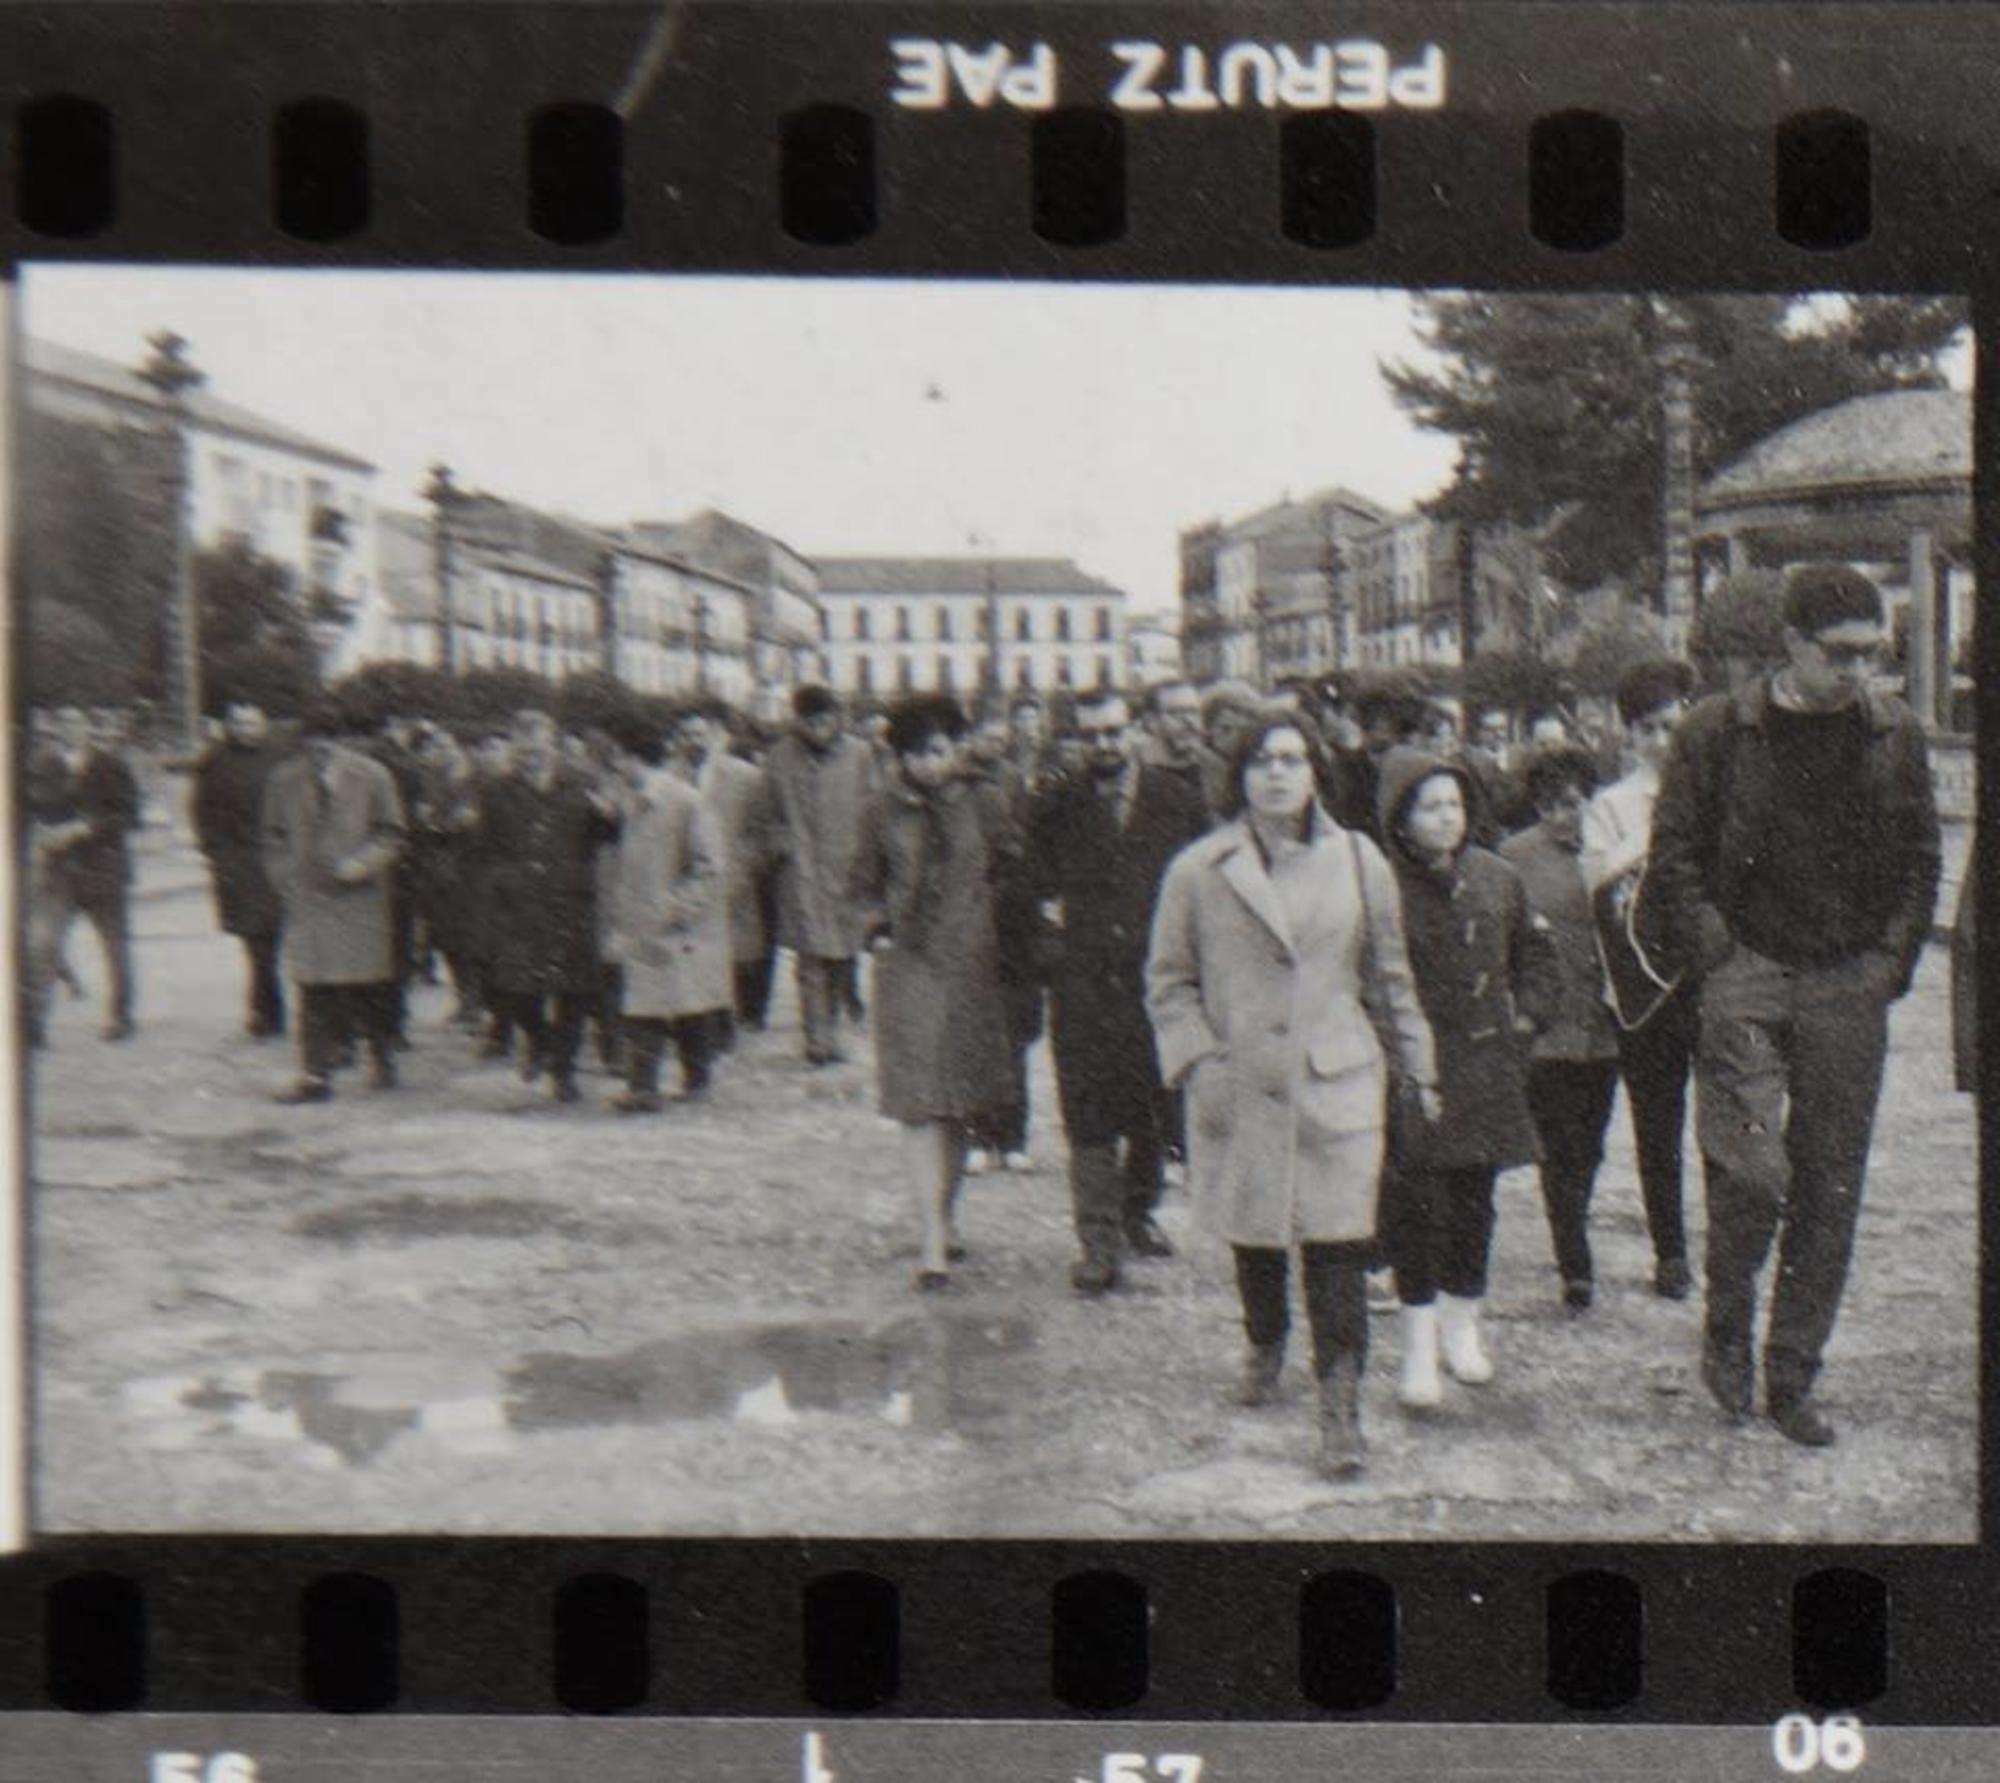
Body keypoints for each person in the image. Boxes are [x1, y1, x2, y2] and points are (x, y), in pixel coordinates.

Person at [1650, 563, 1941, 1447]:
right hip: (1746, 967)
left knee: (1830, 1186)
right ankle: (1726, 1329)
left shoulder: (1895, 734)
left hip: (1848, 980)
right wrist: (1714, 948)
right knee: (1751, 1172)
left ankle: (1790, 1376)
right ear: (1791, 644)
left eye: (1872, 653)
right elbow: (1675, 854)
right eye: (1840, 652)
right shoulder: (1714, 732)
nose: (1858, 670)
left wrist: (1889, 962)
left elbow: (1922, 857)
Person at [1148, 711, 1436, 1478]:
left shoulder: (1358, 860)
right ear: (1238, 774)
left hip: (1335, 1079)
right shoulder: (1197, 869)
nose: (1277, 773)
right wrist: (1197, 1062)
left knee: (1339, 1249)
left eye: (1292, 758)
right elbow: (1169, 984)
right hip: (1238, 1082)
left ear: (1316, 770)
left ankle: (1339, 1410)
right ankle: (1265, 1336)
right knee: (1257, 1235)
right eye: (1261, 761)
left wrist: (1420, 1067)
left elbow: (1389, 976)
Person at [1376, 744, 1547, 1408]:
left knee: (1476, 1203)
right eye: (1429, 806)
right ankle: (1417, 1347)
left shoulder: (1498, 877)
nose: (1445, 818)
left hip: (1484, 1069)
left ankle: (1461, 1329)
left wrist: (1528, 1019)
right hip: (1415, 1072)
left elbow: (1536, 959)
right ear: (1400, 817)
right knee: (1416, 1209)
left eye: (1454, 804)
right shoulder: (1381, 887)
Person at [1027, 687, 1209, 1292]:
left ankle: (1137, 1212)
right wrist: (1052, 952)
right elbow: (1030, 888)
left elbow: (1202, 889)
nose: (1104, 745)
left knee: (1154, 1109)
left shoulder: (1177, 799)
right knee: (1087, 1112)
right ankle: (1098, 1244)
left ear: (1136, 730)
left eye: (1113, 731)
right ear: (1075, 739)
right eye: (1090, 735)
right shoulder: (1055, 804)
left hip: (1155, 983)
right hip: (1083, 985)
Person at [853, 695, 1018, 1287]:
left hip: (973, 965)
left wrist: (993, 922)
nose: (928, 763)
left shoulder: (986, 801)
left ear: (957, 747)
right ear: (897, 756)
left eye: (938, 750)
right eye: (915, 753)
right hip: (909, 966)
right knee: (920, 1105)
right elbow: (864, 882)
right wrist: (876, 931)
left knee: (959, 1106)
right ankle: (929, 1241)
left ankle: (946, 1218)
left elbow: (1010, 867)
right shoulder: (879, 810)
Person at [1580, 659, 1700, 1299]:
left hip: (1708, 980)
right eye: (1649, 729)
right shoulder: (1611, 806)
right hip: (1644, 992)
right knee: (1657, 1126)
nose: (1664, 740)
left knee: (1727, 1121)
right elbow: (1600, 890)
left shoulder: (1716, 796)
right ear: (1628, 736)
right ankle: (1671, 1251)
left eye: (1674, 725)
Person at [1501, 745, 1620, 1313]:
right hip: (1546, 1028)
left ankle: (1572, 1227)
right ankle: (1575, 1262)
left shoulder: (1612, 851)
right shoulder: (1515, 857)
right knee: (1558, 1146)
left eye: (1573, 804)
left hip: (1604, 1026)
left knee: (1591, 1146)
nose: (1563, 816)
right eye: (1550, 805)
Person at [260, 702, 407, 1103]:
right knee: (312, 987)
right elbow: (272, 836)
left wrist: (361, 864)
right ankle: (315, 1075)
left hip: (359, 897)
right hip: (309, 898)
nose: (319, 753)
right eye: (311, 745)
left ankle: (381, 1055)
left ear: (343, 741)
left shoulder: (373, 776)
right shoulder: (283, 779)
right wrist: (283, 876)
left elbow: (392, 833)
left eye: (328, 744)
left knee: (368, 985)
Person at [477, 708, 618, 1104]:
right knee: (517, 990)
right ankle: (539, 1042)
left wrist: (610, 815)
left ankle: (564, 1071)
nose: (531, 757)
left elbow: (607, 837)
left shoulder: (583, 783)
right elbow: (486, 848)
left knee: (573, 992)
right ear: (514, 750)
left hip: (570, 901)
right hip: (520, 905)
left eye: (538, 749)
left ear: (553, 747)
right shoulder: (496, 791)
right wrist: (500, 885)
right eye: (524, 750)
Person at [603, 715, 728, 1112]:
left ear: (634, 758)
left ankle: (697, 1078)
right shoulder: (627, 800)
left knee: (686, 1005)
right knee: (644, 1006)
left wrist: (681, 907)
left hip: (678, 924)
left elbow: (708, 864)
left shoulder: (684, 800)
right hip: (640, 921)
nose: (614, 767)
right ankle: (644, 1087)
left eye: (618, 759)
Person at [766, 685, 880, 1065]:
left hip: (848, 870)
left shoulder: (860, 755)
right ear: (798, 721)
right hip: (802, 872)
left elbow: (873, 807)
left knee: (843, 957)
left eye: (825, 718)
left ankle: (834, 1027)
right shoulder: (780, 757)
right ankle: (817, 1039)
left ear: (837, 718)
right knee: (811, 960)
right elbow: (766, 813)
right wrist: (781, 845)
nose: (818, 727)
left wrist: (871, 860)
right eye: (810, 720)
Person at [26, 704, 141, 1043]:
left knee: (114, 947)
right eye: (63, 723)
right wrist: (41, 832)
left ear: (89, 728)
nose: (70, 729)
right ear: (53, 728)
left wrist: (85, 829)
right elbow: (27, 805)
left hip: (104, 870)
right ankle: (34, 1022)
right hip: (59, 871)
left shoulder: (111, 764)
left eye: (77, 723)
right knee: (43, 945)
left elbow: (130, 816)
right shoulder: (41, 765)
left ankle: (121, 1016)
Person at [671, 704, 774, 1048]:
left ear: (719, 735)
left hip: (734, 877)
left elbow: (760, 829)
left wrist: (747, 867)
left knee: (735, 955)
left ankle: (727, 1021)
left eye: (700, 734)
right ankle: (706, 1025)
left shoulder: (746, 777)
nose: (693, 742)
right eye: (686, 735)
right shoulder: (670, 775)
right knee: (693, 955)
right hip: (688, 882)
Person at [192, 699, 288, 1039]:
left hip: (276, 857)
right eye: (239, 723)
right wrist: (214, 852)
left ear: (264, 726)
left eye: (252, 723)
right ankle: (266, 1010)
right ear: (229, 726)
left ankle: (267, 1008)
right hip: (237, 861)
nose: (246, 730)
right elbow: (201, 809)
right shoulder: (214, 761)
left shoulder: (280, 758)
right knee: (255, 940)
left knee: (274, 938)